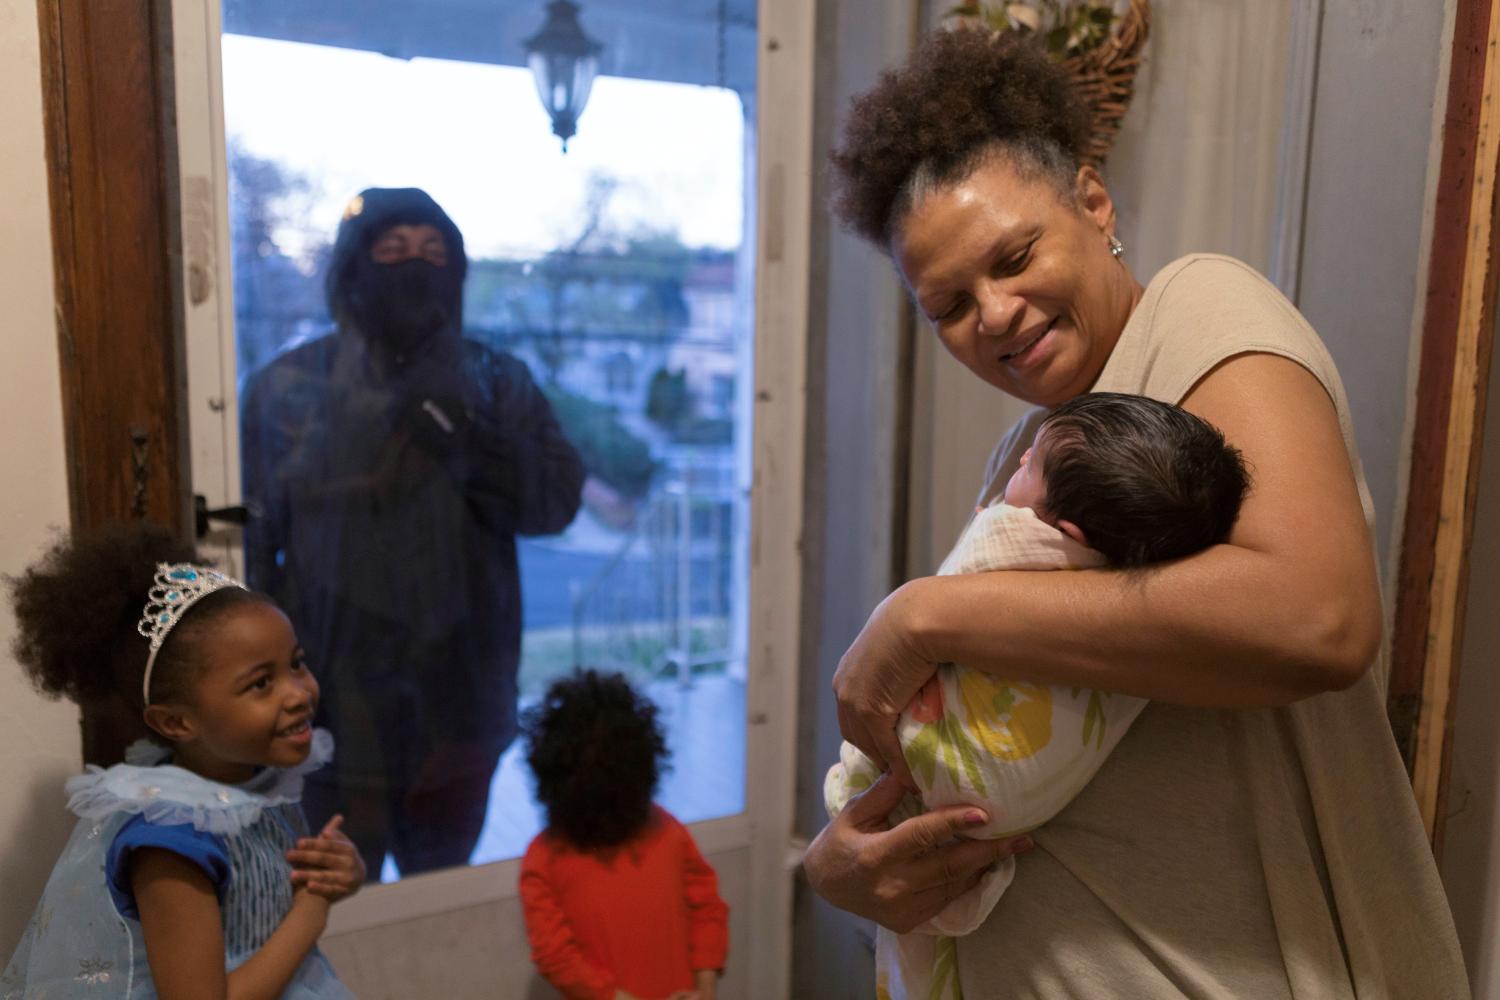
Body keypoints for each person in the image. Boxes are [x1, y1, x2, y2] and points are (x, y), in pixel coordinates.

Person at [802, 26, 1470, 998]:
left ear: (1094, 199)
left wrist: (921, 612)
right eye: (947, 304)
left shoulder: (1199, 312)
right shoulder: (1030, 456)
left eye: (1014, 254)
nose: (991, 313)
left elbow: (1317, 618)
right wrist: (843, 864)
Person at [825, 392, 1250, 1000]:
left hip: (949, 789)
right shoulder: (1153, 577)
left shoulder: (1016, 537)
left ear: (1066, 533)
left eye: (1031, 466)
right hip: (1010, 819)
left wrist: (982, 531)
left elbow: (967, 566)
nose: (1019, 459)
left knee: (868, 778)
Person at [240, 187, 586, 879]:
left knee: (442, 892)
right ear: (352, 268)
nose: (414, 267)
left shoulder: (496, 381)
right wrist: (271, 681)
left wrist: (472, 436)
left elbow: (554, 504)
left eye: (433, 253)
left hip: (462, 707)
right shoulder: (289, 388)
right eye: (391, 251)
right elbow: (251, 548)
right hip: (329, 706)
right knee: (335, 898)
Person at [2, 523, 363, 998]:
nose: (299, 693)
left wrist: (339, 871)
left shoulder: (254, 780)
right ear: (176, 723)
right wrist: (312, 910)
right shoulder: (171, 838)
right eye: (260, 683)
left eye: (295, 663)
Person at [518, 670, 728, 1000]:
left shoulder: (667, 832)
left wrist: (704, 989)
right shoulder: (543, 860)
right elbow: (555, 956)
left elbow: (707, 909)